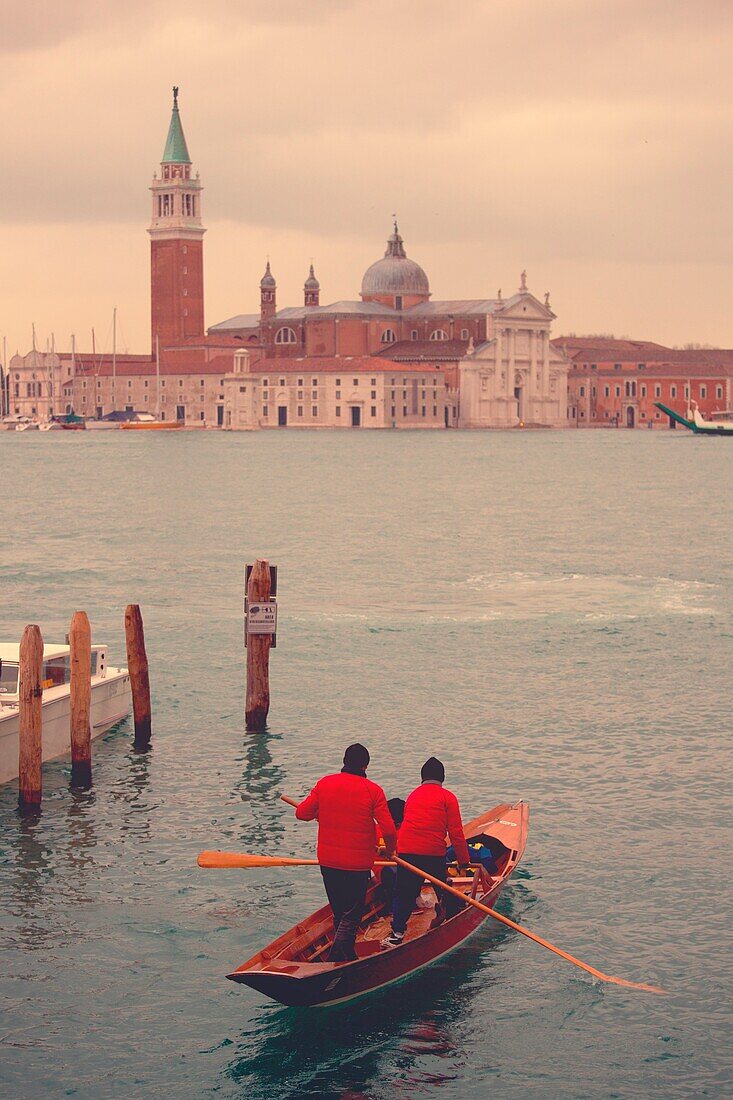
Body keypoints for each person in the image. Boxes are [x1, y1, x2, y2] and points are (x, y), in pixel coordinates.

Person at [295, 743, 397, 962]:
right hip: (357, 864)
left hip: (328, 861)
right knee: (351, 915)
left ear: (344, 761)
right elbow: (389, 828)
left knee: (340, 913)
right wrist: (390, 851)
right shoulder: (373, 790)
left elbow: (302, 814)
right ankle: (336, 959)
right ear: (365, 765)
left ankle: (347, 954)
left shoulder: (325, 784)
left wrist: (322, 812)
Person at [381, 756, 470, 948]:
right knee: (442, 887)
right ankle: (452, 914)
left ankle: (396, 934)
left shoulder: (413, 795)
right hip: (433, 852)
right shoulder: (448, 797)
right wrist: (464, 861)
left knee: (403, 892)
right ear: (442, 778)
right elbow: (456, 833)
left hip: (406, 850)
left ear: (422, 777)